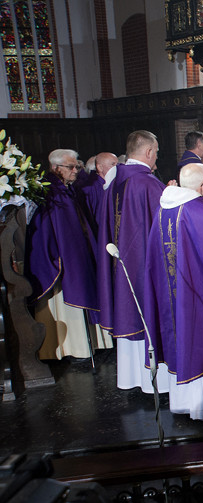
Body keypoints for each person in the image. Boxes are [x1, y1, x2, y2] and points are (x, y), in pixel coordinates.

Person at [143, 164, 203, 420]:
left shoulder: (162, 211)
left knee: (179, 336)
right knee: (202, 337)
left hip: (171, 298)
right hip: (197, 300)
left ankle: (184, 403)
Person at [97, 130, 170, 393]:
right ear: (149, 151)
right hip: (143, 269)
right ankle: (156, 384)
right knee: (147, 314)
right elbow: (165, 226)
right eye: (157, 152)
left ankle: (131, 378)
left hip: (122, 265)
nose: (156, 157)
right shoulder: (148, 184)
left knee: (131, 313)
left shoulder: (114, 180)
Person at [27, 149, 112, 360]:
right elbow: (49, 230)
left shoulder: (67, 190)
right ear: (56, 168)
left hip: (77, 255)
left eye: (77, 167)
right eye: (71, 167)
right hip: (62, 261)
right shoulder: (53, 194)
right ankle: (70, 348)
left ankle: (86, 346)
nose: (75, 171)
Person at [75, 151, 117, 225]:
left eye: (118, 164)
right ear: (99, 167)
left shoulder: (109, 184)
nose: (117, 168)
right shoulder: (92, 188)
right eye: (113, 164)